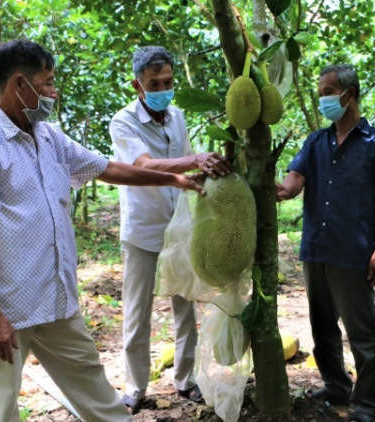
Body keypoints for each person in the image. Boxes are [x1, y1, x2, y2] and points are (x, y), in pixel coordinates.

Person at [0, 40, 206, 422]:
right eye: (47, 83)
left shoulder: (49, 137)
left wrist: (177, 178)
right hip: (8, 310)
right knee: (3, 407)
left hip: (55, 300)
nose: (53, 92)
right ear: (20, 85)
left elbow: (109, 168)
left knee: (96, 391)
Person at [276, 64, 375, 422]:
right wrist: (277, 189)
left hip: (353, 251)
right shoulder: (315, 142)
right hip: (315, 248)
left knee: (361, 332)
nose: (324, 99)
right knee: (322, 328)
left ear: (350, 94)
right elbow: (294, 180)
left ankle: (365, 403)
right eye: (320, 93)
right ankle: (336, 387)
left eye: (329, 92)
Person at [108, 45, 232, 414]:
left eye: (168, 81)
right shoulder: (123, 122)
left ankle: (186, 379)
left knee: (185, 305)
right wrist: (193, 160)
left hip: (179, 224)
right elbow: (144, 166)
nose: (163, 88)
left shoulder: (176, 116)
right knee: (137, 312)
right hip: (143, 229)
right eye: (154, 83)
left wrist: (200, 173)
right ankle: (134, 387)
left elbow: (179, 169)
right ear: (137, 85)